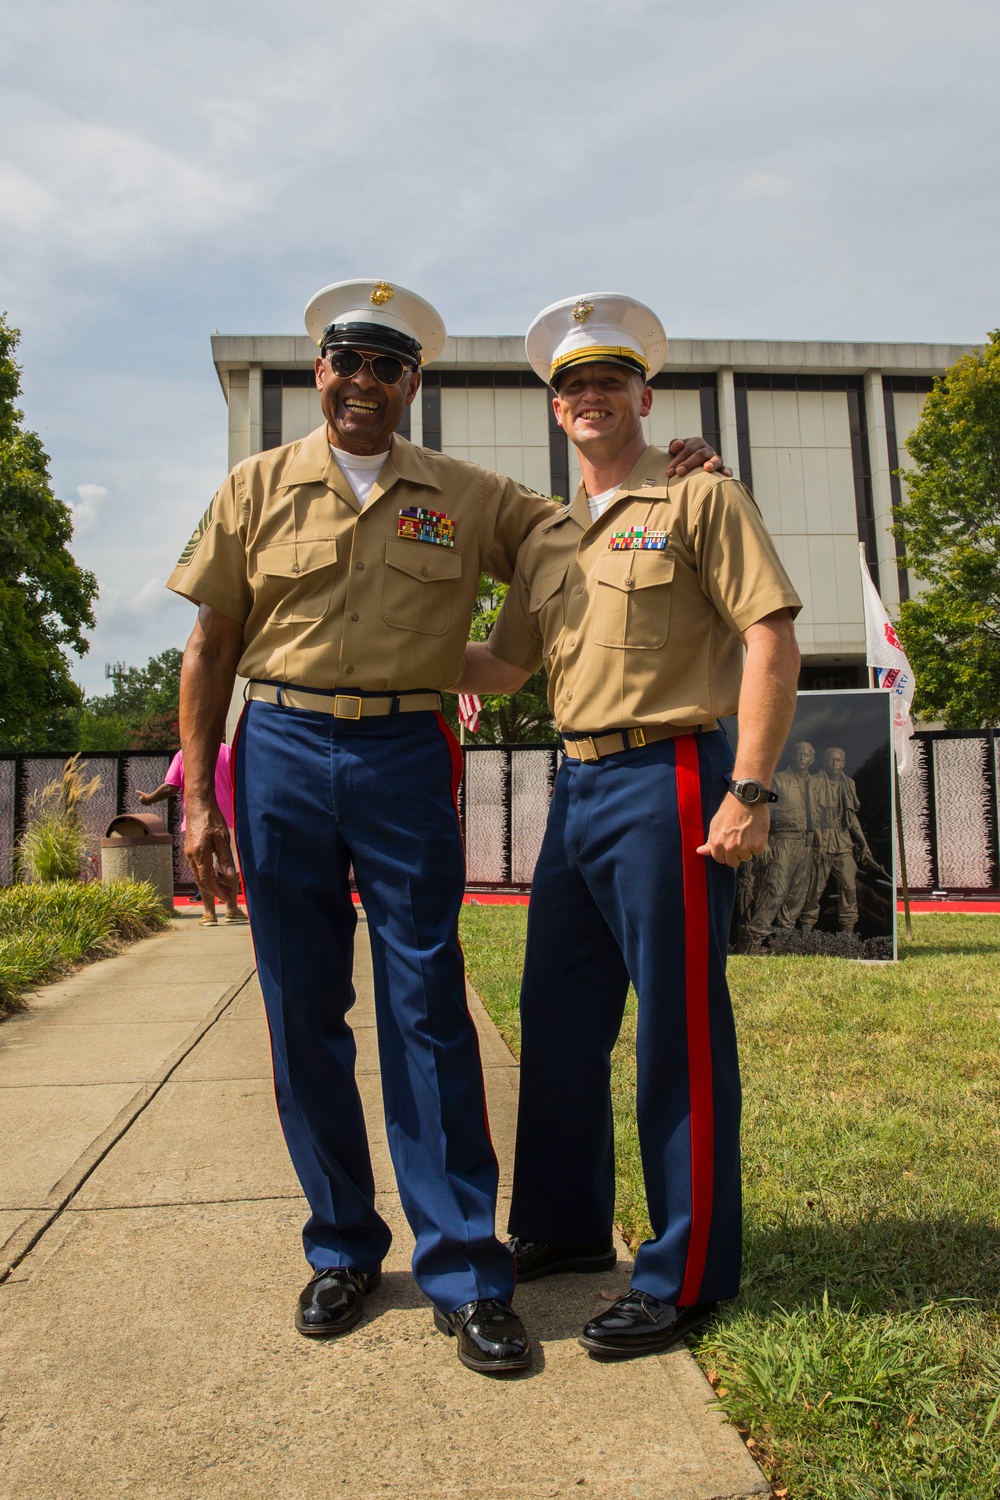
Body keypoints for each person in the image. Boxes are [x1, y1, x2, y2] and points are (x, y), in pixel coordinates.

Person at [166, 278, 725, 1375]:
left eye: (387, 366)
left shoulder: (471, 496)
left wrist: (676, 472)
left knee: (425, 1003)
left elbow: (583, 532)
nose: (363, 383)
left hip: (402, 756)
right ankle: (339, 1245)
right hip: (276, 749)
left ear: (413, 383)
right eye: (346, 361)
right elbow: (209, 647)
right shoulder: (255, 487)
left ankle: (468, 1268)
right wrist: (198, 796)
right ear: (317, 371)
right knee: (300, 1008)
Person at [455, 292, 802, 1359]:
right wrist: (347, 660)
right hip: (577, 789)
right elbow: (500, 667)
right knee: (556, 1021)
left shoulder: (699, 497)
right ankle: (559, 1233)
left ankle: (685, 1272)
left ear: (643, 396)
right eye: (571, 387)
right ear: (554, 412)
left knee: (677, 1034)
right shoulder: (549, 537)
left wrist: (748, 788)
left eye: (608, 380)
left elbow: (770, 635)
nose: (589, 398)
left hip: (673, 780)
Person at [139, 744, 246, 925]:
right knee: (230, 866)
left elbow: (170, 787)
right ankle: (232, 909)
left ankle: (209, 914)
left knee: (201, 865)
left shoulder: (185, 754)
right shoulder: (228, 751)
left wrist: (148, 799)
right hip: (225, 818)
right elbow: (240, 782)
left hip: (195, 821)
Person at [745, 740, 819, 938]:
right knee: (776, 890)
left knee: (797, 894)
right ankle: (756, 937)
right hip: (783, 841)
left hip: (806, 845)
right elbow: (764, 812)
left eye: (807, 755)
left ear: (812, 760)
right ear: (794, 756)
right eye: (799, 754)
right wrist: (765, 841)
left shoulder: (814, 784)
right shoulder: (779, 779)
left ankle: (785, 939)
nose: (802, 758)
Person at [799, 746, 872, 933]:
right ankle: (806, 928)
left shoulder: (849, 784)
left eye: (838, 760)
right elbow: (811, 814)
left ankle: (847, 930)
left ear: (844, 763)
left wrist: (862, 841)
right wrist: (818, 842)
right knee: (815, 888)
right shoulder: (814, 782)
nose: (835, 763)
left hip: (842, 839)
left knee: (849, 885)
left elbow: (852, 817)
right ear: (825, 761)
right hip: (821, 839)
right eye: (832, 759)